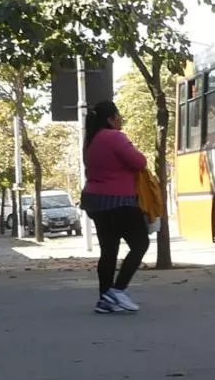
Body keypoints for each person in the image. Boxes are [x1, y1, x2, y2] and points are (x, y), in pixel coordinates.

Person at [80, 100, 149, 314]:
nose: (121, 119)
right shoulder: (114, 137)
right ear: (111, 118)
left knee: (109, 250)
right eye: (118, 115)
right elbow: (139, 162)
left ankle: (104, 299)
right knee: (140, 243)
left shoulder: (90, 140)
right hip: (119, 200)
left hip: (95, 201)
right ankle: (117, 291)